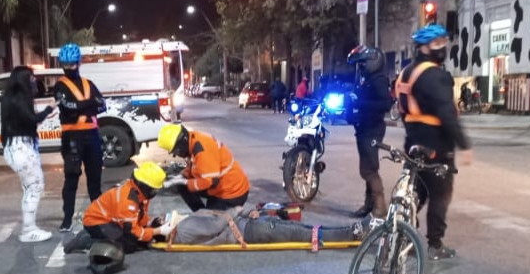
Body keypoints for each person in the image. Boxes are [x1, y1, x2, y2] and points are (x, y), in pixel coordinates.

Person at [394, 24, 473, 261]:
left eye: (443, 42)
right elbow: (447, 113)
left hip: (413, 143)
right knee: (440, 194)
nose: (442, 47)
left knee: (416, 192)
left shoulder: (406, 73)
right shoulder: (435, 76)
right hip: (437, 146)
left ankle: (400, 235)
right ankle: (435, 245)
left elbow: (403, 111)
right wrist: (464, 144)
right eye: (437, 43)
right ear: (424, 47)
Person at [63, 162, 173, 257]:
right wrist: (159, 231)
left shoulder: (139, 193)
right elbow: (135, 232)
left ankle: (94, 235)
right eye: (153, 190)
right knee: (128, 245)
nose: (154, 193)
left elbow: (140, 218)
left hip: (111, 219)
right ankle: (86, 242)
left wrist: (153, 222)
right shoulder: (128, 201)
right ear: (145, 186)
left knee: (137, 239)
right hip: (96, 222)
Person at [0, 66, 57, 243]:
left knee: (30, 187)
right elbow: (32, 120)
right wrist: (49, 109)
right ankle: (29, 230)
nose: (34, 81)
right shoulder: (19, 98)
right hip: (21, 148)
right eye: (31, 78)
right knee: (35, 186)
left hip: (17, 147)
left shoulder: (11, 97)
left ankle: (29, 228)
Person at [55, 42, 106, 232]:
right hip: (72, 138)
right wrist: (90, 104)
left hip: (92, 136)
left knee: (95, 179)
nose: (69, 68)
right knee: (71, 179)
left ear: (79, 63)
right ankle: (67, 218)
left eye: (72, 64)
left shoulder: (88, 83)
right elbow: (67, 109)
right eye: (65, 64)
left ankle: (98, 215)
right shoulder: (60, 86)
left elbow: (102, 105)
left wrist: (80, 107)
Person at [156, 123, 250, 212]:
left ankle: (205, 217)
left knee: (210, 221)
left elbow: (210, 181)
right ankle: (201, 213)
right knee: (183, 186)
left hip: (231, 192)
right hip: (220, 185)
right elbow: (195, 165)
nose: (177, 155)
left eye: (176, 151)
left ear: (181, 144)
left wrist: (185, 182)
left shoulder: (201, 149)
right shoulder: (192, 139)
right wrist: (181, 176)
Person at [346, 45, 393, 219]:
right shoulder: (367, 80)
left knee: (369, 169)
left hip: (373, 128)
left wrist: (360, 104)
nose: (361, 67)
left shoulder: (379, 80)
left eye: (363, 63)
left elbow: (385, 104)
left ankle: (380, 207)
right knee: (366, 166)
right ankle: (369, 204)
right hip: (364, 127)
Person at [169, 205, 364, 246]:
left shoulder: (185, 223)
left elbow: (218, 217)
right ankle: (352, 233)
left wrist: (247, 212)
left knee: (303, 229)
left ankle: (352, 230)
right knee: (301, 233)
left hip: (250, 224)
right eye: (161, 219)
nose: (164, 217)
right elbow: (216, 225)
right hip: (250, 231)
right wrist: (237, 210)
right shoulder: (183, 230)